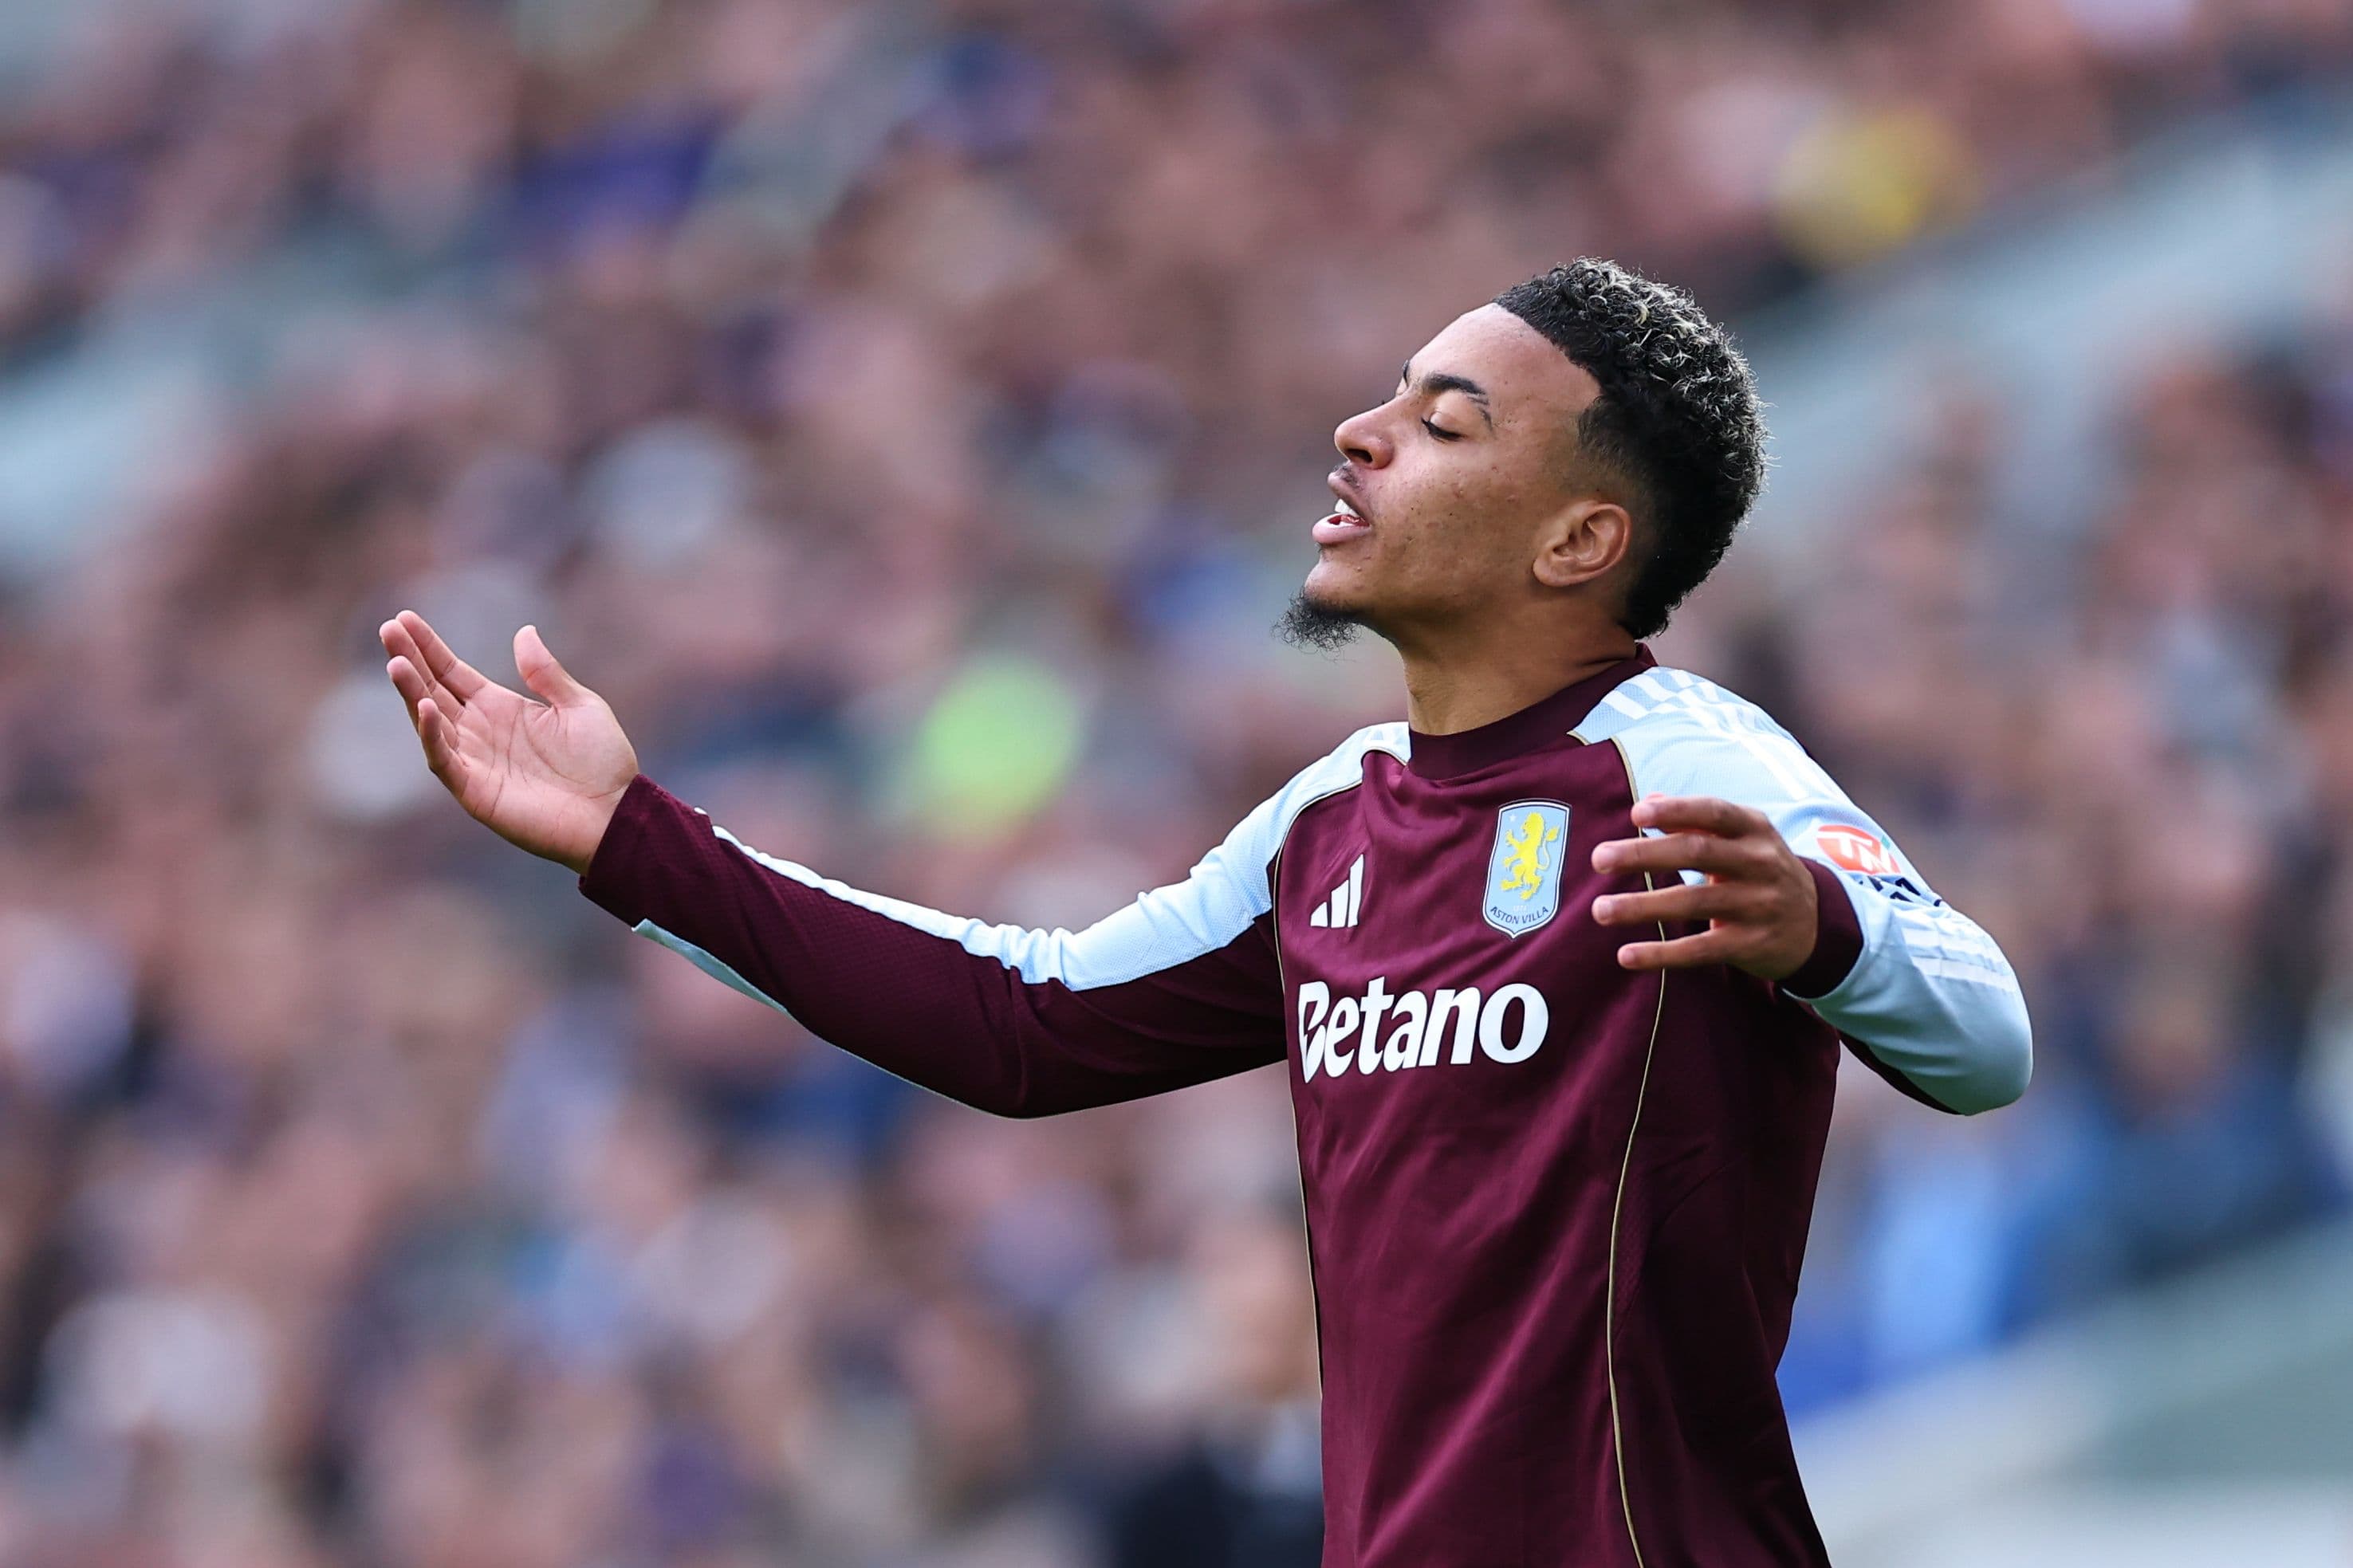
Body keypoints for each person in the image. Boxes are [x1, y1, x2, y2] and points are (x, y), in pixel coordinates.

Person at [380, 257, 2031, 1567]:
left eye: (1446, 424)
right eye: (1389, 398)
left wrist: (1817, 928)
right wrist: (630, 838)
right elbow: (1024, 1022)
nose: (1361, 435)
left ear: (1581, 538)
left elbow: (1986, 1034)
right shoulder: (1336, 820)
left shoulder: (1685, 765)